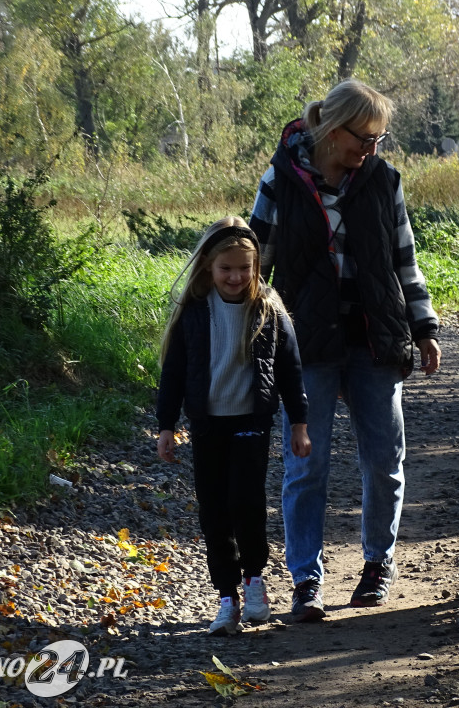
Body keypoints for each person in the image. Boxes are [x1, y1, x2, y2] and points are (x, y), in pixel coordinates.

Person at [249, 78, 441, 623]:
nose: (371, 150)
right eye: (365, 138)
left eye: (380, 139)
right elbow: (254, 267)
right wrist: (246, 339)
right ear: (333, 131)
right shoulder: (279, 181)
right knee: (304, 466)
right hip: (305, 344)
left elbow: (405, 259)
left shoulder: (383, 180)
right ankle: (305, 579)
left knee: (384, 459)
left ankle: (378, 563)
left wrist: (423, 326)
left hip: (376, 339)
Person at [156, 216, 311, 635]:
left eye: (245, 268)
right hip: (208, 427)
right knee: (214, 512)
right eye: (226, 268)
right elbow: (173, 372)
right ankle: (227, 598)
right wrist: (166, 425)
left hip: (250, 422)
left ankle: (254, 580)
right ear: (209, 266)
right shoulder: (193, 312)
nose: (236, 276)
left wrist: (299, 422)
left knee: (246, 504)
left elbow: (290, 370)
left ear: (256, 267)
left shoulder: (268, 310)